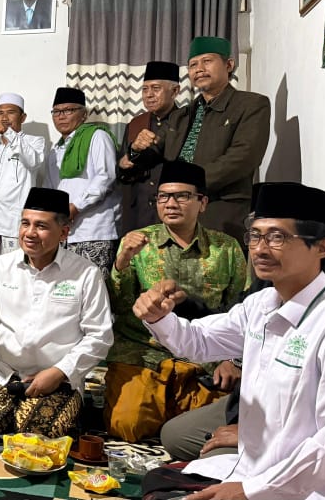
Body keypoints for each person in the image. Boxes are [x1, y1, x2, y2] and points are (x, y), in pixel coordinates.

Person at [136, 182, 325, 500]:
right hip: (253, 468)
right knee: (157, 483)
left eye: (277, 237)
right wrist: (158, 317)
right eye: (256, 235)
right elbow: (199, 341)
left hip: (304, 488)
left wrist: (250, 491)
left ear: (322, 247)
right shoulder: (262, 304)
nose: (260, 249)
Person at [0, 187, 113, 437]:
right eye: (25, 223)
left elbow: (100, 337)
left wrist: (59, 372)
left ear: (64, 232)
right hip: (3, 370)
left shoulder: (86, 273)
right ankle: (14, 412)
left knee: (42, 430)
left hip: (57, 376)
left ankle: (30, 414)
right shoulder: (1, 265)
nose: (30, 233)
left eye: (41, 226)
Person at [105, 161, 248, 442]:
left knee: (214, 430)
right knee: (127, 425)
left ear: (202, 203)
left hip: (204, 358)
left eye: (182, 196)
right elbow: (119, 307)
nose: (170, 204)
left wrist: (234, 361)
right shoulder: (138, 242)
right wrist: (121, 263)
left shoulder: (226, 249)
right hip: (144, 352)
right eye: (163, 196)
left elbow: (241, 311)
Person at [154, 36, 271, 242]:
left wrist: (190, 185)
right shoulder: (180, 115)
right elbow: (154, 147)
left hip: (220, 210)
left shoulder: (251, 104)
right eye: (193, 65)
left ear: (229, 65)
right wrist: (136, 149)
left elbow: (244, 157)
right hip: (177, 210)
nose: (199, 69)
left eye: (207, 61)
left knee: (217, 262)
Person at [45, 86, 120, 271]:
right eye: (56, 112)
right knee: (65, 286)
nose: (61, 116)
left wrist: (76, 207)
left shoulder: (97, 136)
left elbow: (106, 177)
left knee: (94, 285)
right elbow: (50, 189)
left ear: (84, 114)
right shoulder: (55, 150)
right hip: (63, 233)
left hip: (93, 231)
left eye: (68, 110)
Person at [0, 92, 46, 254]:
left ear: (23, 117)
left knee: (14, 268)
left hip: (14, 226)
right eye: (0, 113)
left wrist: (8, 133)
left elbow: (33, 160)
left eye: (11, 112)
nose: (4, 118)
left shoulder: (35, 142)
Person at [117, 61, 183, 235]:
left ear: (175, 91)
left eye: (156, 88)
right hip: (139, 214)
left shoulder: (185, 122)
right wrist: (129, 156)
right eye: (145, 89)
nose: (149, 95)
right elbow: (121, 171)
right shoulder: (135, 124)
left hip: (174, 211)